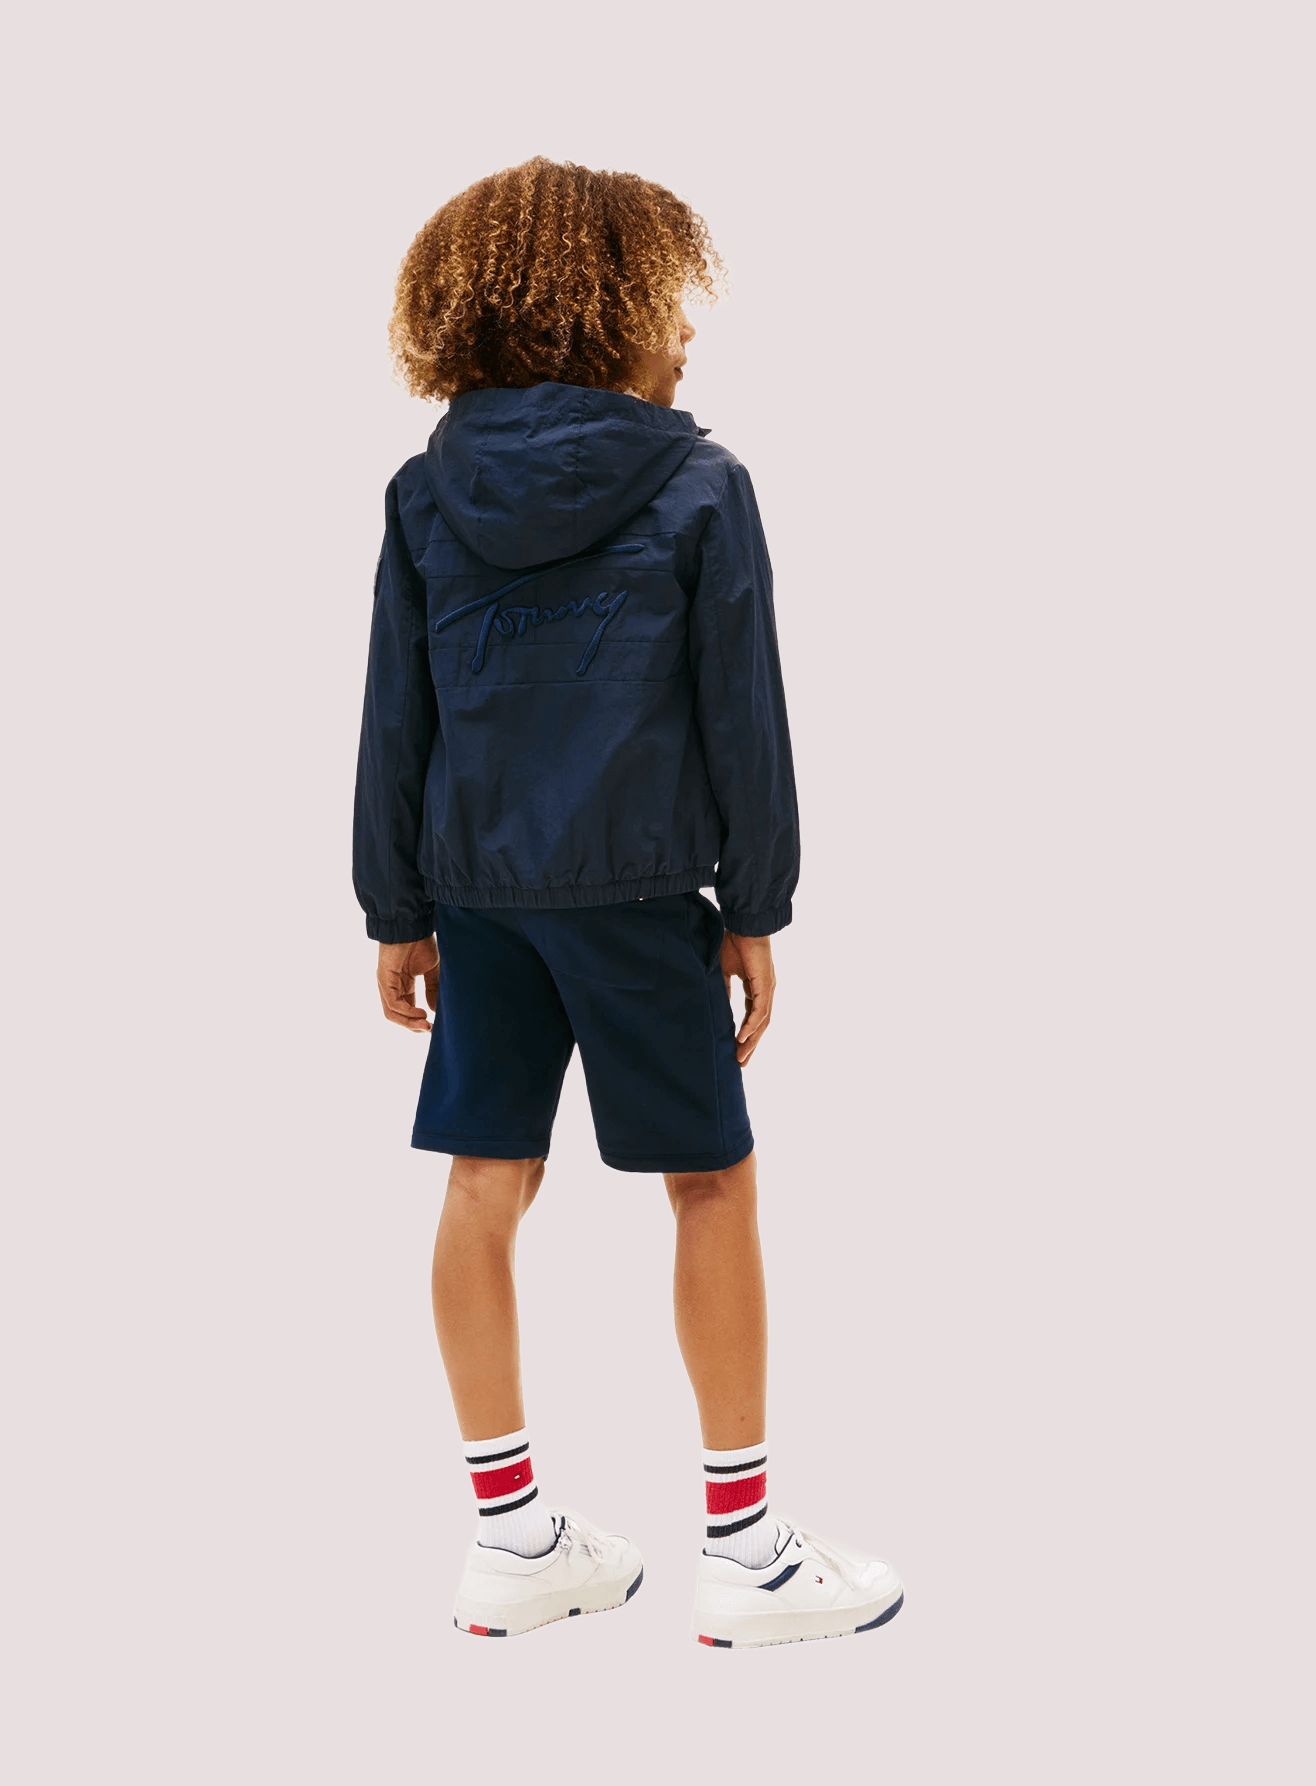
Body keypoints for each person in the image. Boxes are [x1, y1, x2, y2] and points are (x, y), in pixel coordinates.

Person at [353, 156, 902, 1647]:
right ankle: (748, 1554)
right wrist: (757, 906)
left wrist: (393, 909)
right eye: (666, 299)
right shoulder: (701, 486)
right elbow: (745, 718)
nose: (688, 331)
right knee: (711, 1183)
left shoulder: (424, 493)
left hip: (478, 902)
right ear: (594, 311)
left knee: (482, 1185)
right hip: (644, 898)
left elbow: (395, 716)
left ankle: (510, 1542)